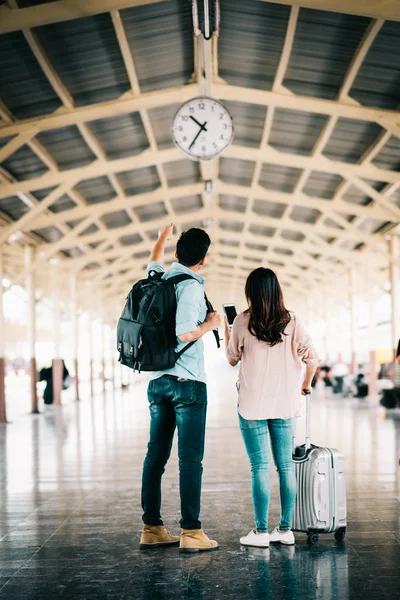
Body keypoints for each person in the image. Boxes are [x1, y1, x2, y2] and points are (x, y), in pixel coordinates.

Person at [140, 225, 221, 553]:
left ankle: (152, 527)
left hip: (158, 382)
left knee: (155, 456)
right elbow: (185, 332)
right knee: (189, 459)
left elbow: (152, 259)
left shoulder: (159, 277)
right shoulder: (189, 286)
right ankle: (190, 531)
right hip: (187, 385)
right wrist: (210, 325)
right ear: (202, 260)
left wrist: (162, 234)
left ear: (177, 254)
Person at [224, 268, 319, 548]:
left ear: (250, 293)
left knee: (260, 467)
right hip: (285, 404)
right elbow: (313, 358)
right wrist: (304, 384)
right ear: (277, 291)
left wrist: (228, 332)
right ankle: (285, 530)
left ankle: (261, 532)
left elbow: (232, 359)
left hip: (252, 404)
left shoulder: (242, 322)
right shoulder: (293, 322)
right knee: (285, 467)